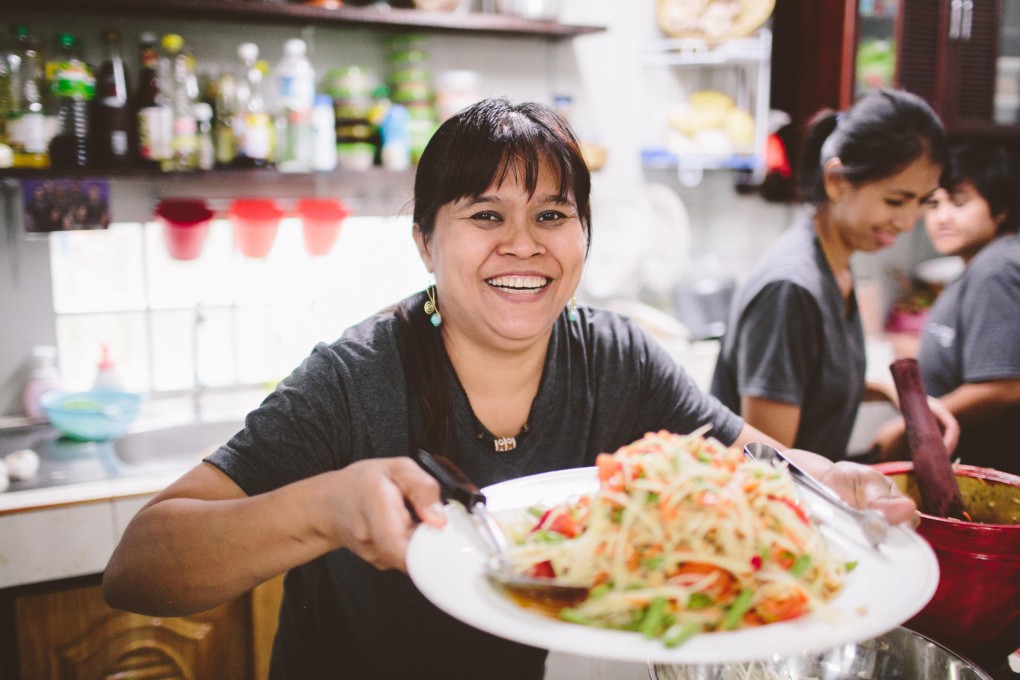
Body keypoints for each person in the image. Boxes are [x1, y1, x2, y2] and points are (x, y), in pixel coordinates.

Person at [103, 97, 919, 680]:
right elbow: (138, 568)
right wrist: (322, 507)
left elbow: (759, 465)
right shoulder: (353, 378)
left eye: (553, 216)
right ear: (426, 241)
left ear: (584, 235)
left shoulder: (618, 359)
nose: (523, 247)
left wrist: (836, 485)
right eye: (486, 217)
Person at [710, 89, 957, 460]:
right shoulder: (791, 289)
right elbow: (767, 464)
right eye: (895, 200)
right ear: (836, 181)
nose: (908, 222)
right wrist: (872, 467)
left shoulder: (835, 264)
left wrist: (896, 396)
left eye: (923, 202)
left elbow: (812, 381)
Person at [872, 143, 1020, 474]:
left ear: (1000, 210)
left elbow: (1005, 385)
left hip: (989, 472)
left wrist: (909, 427)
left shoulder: (996, 269)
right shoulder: (981, 266)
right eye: (933, 204)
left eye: (959, 202)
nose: (941, 217)